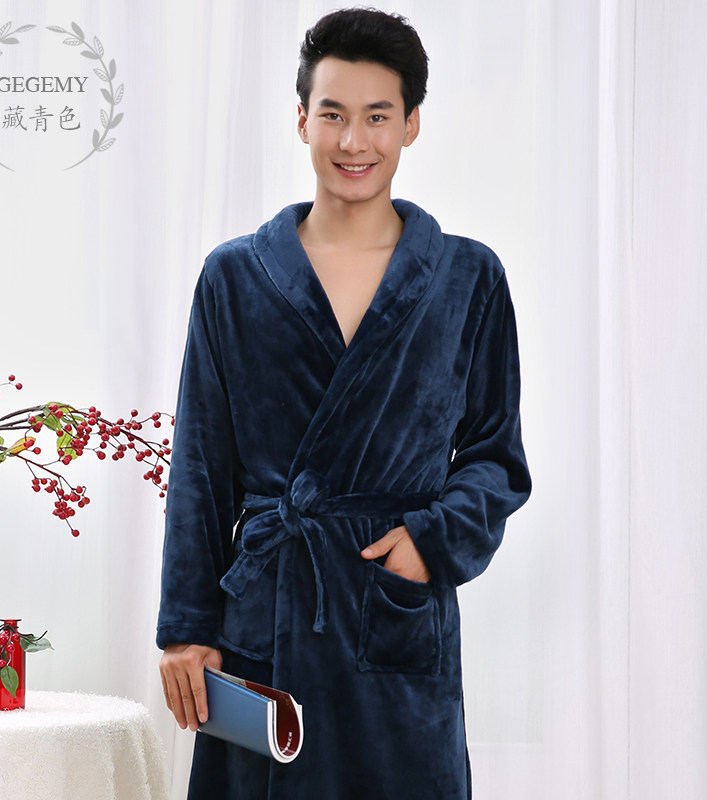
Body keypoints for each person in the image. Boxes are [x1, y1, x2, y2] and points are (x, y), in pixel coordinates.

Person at [157, 8, 531, 799]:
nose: (353, 141)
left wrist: (429, 542)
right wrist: (187, 628)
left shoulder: (468, 279)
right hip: (268, 615)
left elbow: (496, 457)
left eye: (377, 117)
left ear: (412, 124)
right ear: (301, 120)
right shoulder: (235, 278)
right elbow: (199, 466)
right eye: (332, 114)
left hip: (392, 616)